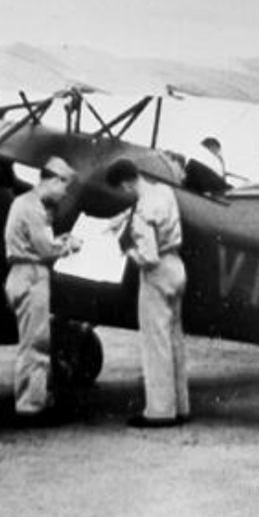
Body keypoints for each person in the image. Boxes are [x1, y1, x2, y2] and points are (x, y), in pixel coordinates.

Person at [106, 158, 189, 428]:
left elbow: (149, 257)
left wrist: (126, 250)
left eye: (123, 188)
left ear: (128, 182)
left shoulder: (142, 212)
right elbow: (147, 210)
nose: (125, 193)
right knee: (174, 339)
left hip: (157, 274)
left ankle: (160, 411)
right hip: (176, 267)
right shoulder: (164, 192)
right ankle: (181, 406)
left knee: (156, 343)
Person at [3, 155, 81, 423]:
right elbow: (46, 249)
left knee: (33, 341)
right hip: (31, 276)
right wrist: (71, 245)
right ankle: (30, 407)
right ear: (55, 180)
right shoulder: (33, 208)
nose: (64, 195)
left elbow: (40, 242)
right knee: (35, 344)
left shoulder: (24, 204)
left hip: (24, 273)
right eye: (64, 187)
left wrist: (59, 240)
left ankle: (35, 400)